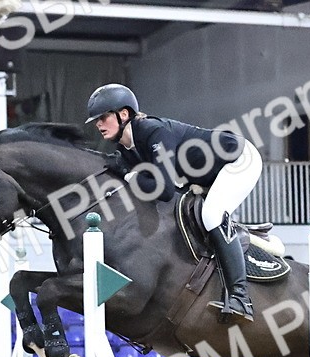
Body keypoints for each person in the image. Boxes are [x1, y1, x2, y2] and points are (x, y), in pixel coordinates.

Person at [85, 83, 261, 322]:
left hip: (238, 160)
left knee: (211, 214)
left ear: (123, 114)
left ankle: (241, 298)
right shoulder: (127, 148)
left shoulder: (151, 131)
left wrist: (129, 175)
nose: (98, 124)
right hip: (206, 175)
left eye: (103, 117)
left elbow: (164, 189)